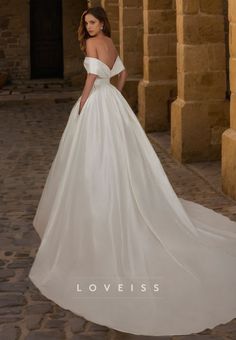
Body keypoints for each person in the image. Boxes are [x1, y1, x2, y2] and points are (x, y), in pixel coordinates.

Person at [29, 6, 236, 337]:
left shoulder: (95, 45)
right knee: (120, 155)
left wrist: (84, 105)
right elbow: (121, 74)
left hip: (97, 103)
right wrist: (114, 94)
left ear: (102, 23)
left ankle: (101, 207)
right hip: (113, 102)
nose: (90, 27)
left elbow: (91, 79)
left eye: (93, 22)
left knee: (94, 158)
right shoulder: (110, 42)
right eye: (87, 23)